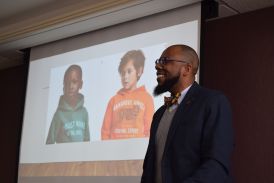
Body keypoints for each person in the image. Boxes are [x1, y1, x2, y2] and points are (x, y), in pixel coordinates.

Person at [141, 45, 234, 183]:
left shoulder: (212, 102)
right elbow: (149, 168)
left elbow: (216, 164)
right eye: (158, 61)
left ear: (187, 69)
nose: (158, 66)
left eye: (165, 60)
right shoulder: (159, 114)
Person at [101, 50, 154, 140]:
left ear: (139, 71)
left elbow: (149, 130)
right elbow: (105, 132)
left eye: (129, 71)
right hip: (114, 151)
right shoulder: (113, 100)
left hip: (137, 150)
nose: (125, 76)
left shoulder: (147, 98)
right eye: (122, 72)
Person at [46, 64, 90, 144]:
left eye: (74, 82)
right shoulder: (59, 114)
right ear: (63, 87)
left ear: (80, 84)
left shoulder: (84, 113)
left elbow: (87, 140)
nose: (70, 86)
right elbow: (49, 142)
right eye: (67, 82)